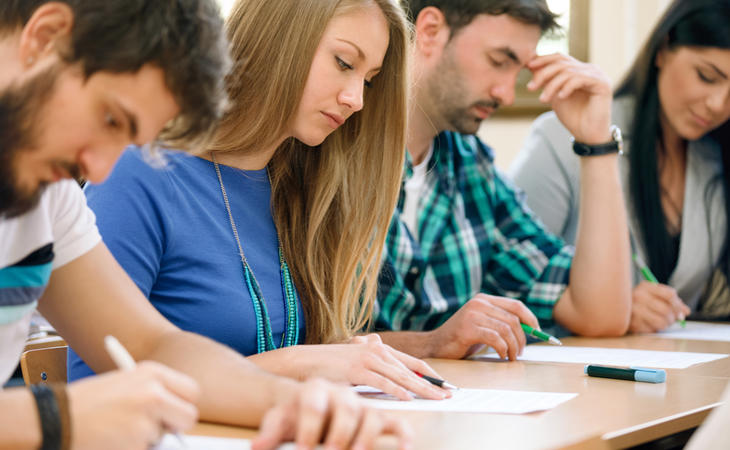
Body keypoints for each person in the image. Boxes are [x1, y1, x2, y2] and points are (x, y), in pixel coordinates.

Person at [0, 2, 411, 449]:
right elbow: (86, 390)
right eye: (111, 118)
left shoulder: (49, 193)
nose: (98, 172)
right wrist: (60, 418)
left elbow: (153, 344)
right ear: (44, 37)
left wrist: (293, 400)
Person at [67, 0, 449, 403]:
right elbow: (94, 386)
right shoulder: (139, 173)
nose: (356, 99)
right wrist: (301, 364)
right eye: (343, 62)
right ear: (280, 40)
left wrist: (335, 358)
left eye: (369, 80)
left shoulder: (303, 188)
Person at [374, 0, 633, 362]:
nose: (506, 94)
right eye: (499, 61)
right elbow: (299, 340)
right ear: (430, 31)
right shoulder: (335, 153)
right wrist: (430, 344)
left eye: (519, 71)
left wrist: (596, 142)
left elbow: (600, 314)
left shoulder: (470, 165)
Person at [510, 0, 730, 333]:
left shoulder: (714, 155)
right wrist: (612, 304)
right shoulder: (563, 136)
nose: (718, 104)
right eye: (707, 76)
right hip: (569, 369)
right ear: (663, 49)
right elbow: (504, 283)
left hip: (670, 370)